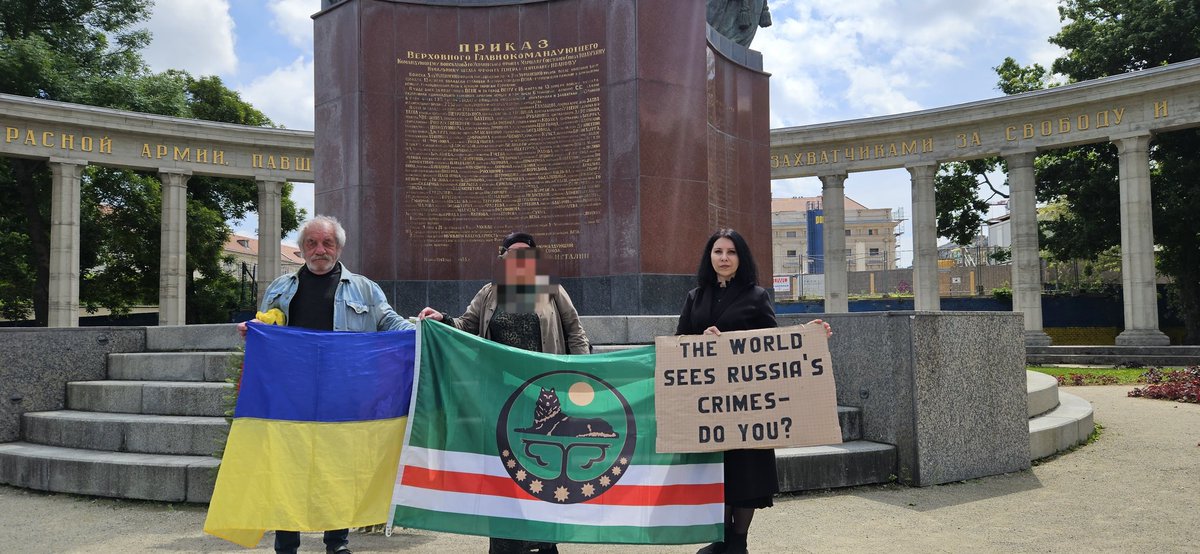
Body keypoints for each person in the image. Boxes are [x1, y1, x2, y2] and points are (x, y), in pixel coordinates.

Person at [237, 214, 414, 554]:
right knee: (287, 469)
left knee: (340, 469)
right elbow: (265, 329)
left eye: (327, 243)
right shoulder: (280, 287)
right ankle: (286, 544)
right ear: (302, 249)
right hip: (291, 395)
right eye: (312, 243)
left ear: (339, 247)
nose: (320, 250)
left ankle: (338, 543)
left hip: (344, 396)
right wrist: (252, 332)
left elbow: (390, 323)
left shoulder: (365, 288)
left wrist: (424, 330)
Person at [418, 231, 590, 554]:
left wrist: (579, 376)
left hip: (543, 399)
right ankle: (505, 544)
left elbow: (575, 332)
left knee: (542, 472)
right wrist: (440, 319)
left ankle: (543, 543)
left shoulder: (551, 290)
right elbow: (465, 325)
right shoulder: (489, 294)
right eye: (513, 253)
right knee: (504, 473)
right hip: (499, 400)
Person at [675, 229, 828, 554]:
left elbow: (775, 345)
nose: (724, 258)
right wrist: (701, 339)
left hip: (748, 403)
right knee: (717, 472)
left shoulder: (756, 296)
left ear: (740, 258)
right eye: (718, 251)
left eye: (731, 252)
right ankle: (719, 541)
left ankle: (738, 542)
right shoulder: (694, 297)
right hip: (707, 404)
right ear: (710, 257)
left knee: (746, 472)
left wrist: (810, 336)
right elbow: (678, 343)